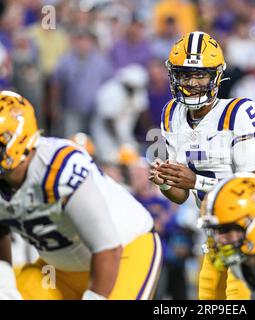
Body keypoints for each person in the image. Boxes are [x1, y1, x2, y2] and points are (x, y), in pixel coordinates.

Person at [0, 91, 161, 300]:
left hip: (123, 254)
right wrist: (5, 288)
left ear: (19, 139)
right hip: (57, 270)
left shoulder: (57, 168)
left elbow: (108, 248)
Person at [149, 31, 255, 300]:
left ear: (215, 76)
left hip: (247, 235)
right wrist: (166, 180)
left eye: (200, 74)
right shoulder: (172, 114)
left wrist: (196, 181)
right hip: (214, 238)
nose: (192, 82)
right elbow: (179, 196)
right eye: (185, 74)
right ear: (173, 76)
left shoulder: (236, 113)